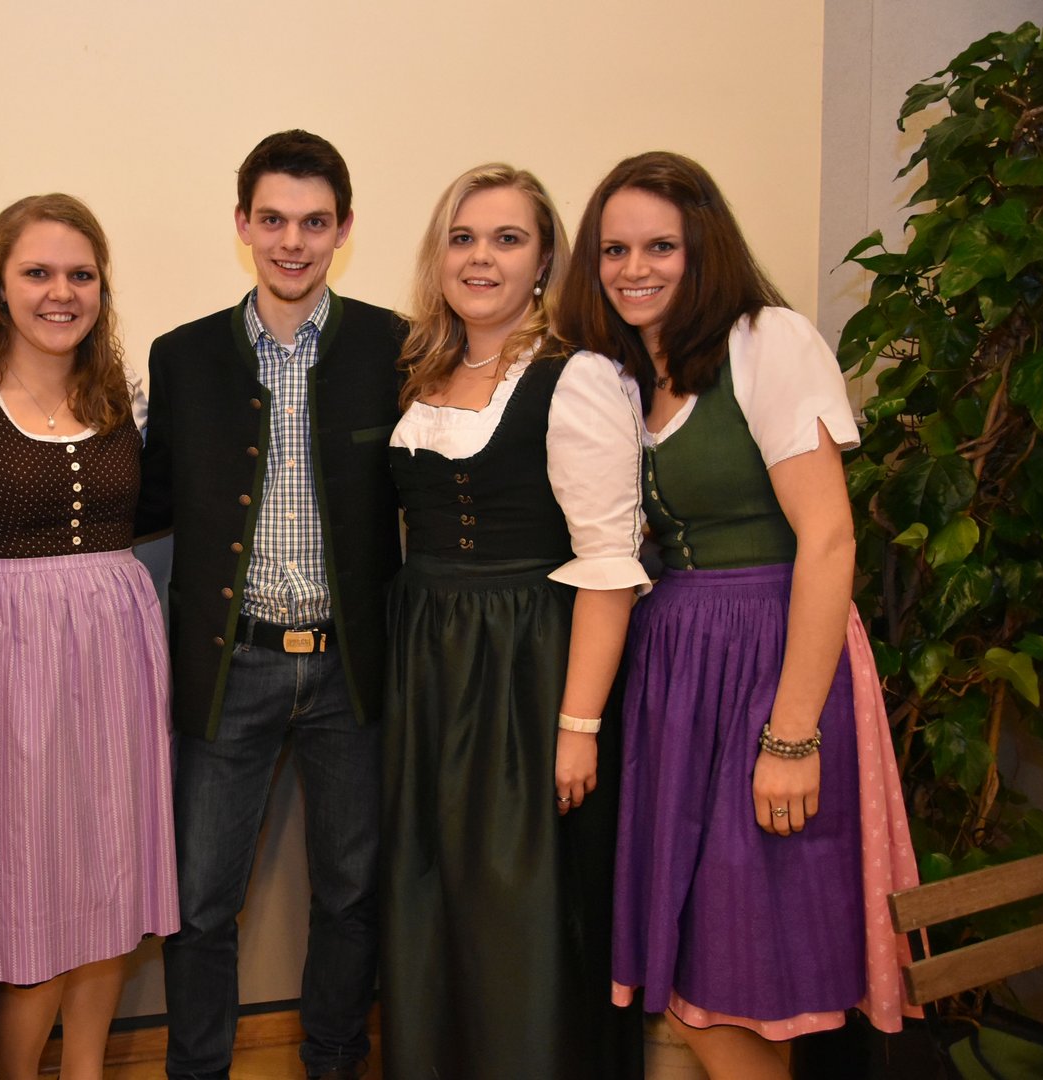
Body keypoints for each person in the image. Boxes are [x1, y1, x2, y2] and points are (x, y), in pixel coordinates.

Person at [555, 151, 918, 1080]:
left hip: (771, 655)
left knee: (745, 956)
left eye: (660, 246)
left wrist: (791, 735)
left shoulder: (767, 340)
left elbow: (827, 540)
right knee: (697, 956)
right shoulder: (625, 376)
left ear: (703, 248)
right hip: (679, 666)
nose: (633, 268)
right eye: (613, 250)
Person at [0, 193, 178, 1080]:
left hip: (117, 654)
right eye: (38, 273)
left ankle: (83, 1072)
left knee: (109, 882)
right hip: (3, 668)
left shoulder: (122, 395)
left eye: (80, 275)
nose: (62, 292)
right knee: (27, 894)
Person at [137, 130, 406, 1080]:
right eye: (274, 220)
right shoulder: (182, 357)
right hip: (229, 664)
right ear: (242, 223)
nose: (293, 242)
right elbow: (149, 500)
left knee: (352, 893)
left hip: (351, 671)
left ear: (343, 228)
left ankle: (333, 1062)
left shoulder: (395, 347)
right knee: (200, 902)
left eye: (314, 222)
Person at [381, 164, 645, 1079]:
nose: (480, 258)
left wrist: (577, 726)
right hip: (428, 657)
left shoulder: (575, 378)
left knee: (515, 900)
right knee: (434, 892)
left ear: (543, 262)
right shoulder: (420, 372)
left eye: (506, 239)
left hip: (525, 659)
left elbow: (608, 567)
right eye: (462, 238)